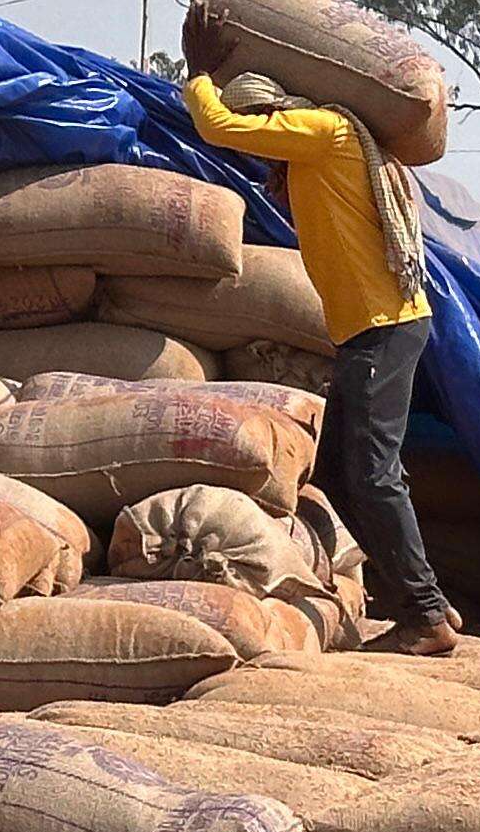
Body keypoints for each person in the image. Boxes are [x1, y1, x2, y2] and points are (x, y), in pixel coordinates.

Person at [177, 53, 460, 655]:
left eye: (269, 139)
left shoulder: (325, 133)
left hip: (385, 328)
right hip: (368, 332)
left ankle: (425, 615)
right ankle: (423, 598)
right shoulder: (317, 154)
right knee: (339, 471)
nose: (267, 161)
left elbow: (218, 126)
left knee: (373, 474)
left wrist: (198, 74)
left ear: (278, 115)